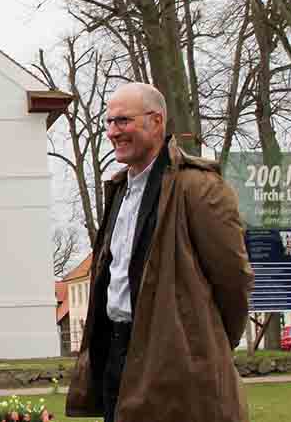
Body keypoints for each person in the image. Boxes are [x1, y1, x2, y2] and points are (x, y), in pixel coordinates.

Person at [65, 83, 254, 422]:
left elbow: (234, 280)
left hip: (174, 361)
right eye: (108, 123)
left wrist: (204, 343)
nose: (112, 132)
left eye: (122, 121)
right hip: (117, 353)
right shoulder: (120, 190)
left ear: (156, 121)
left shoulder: (198, 188)